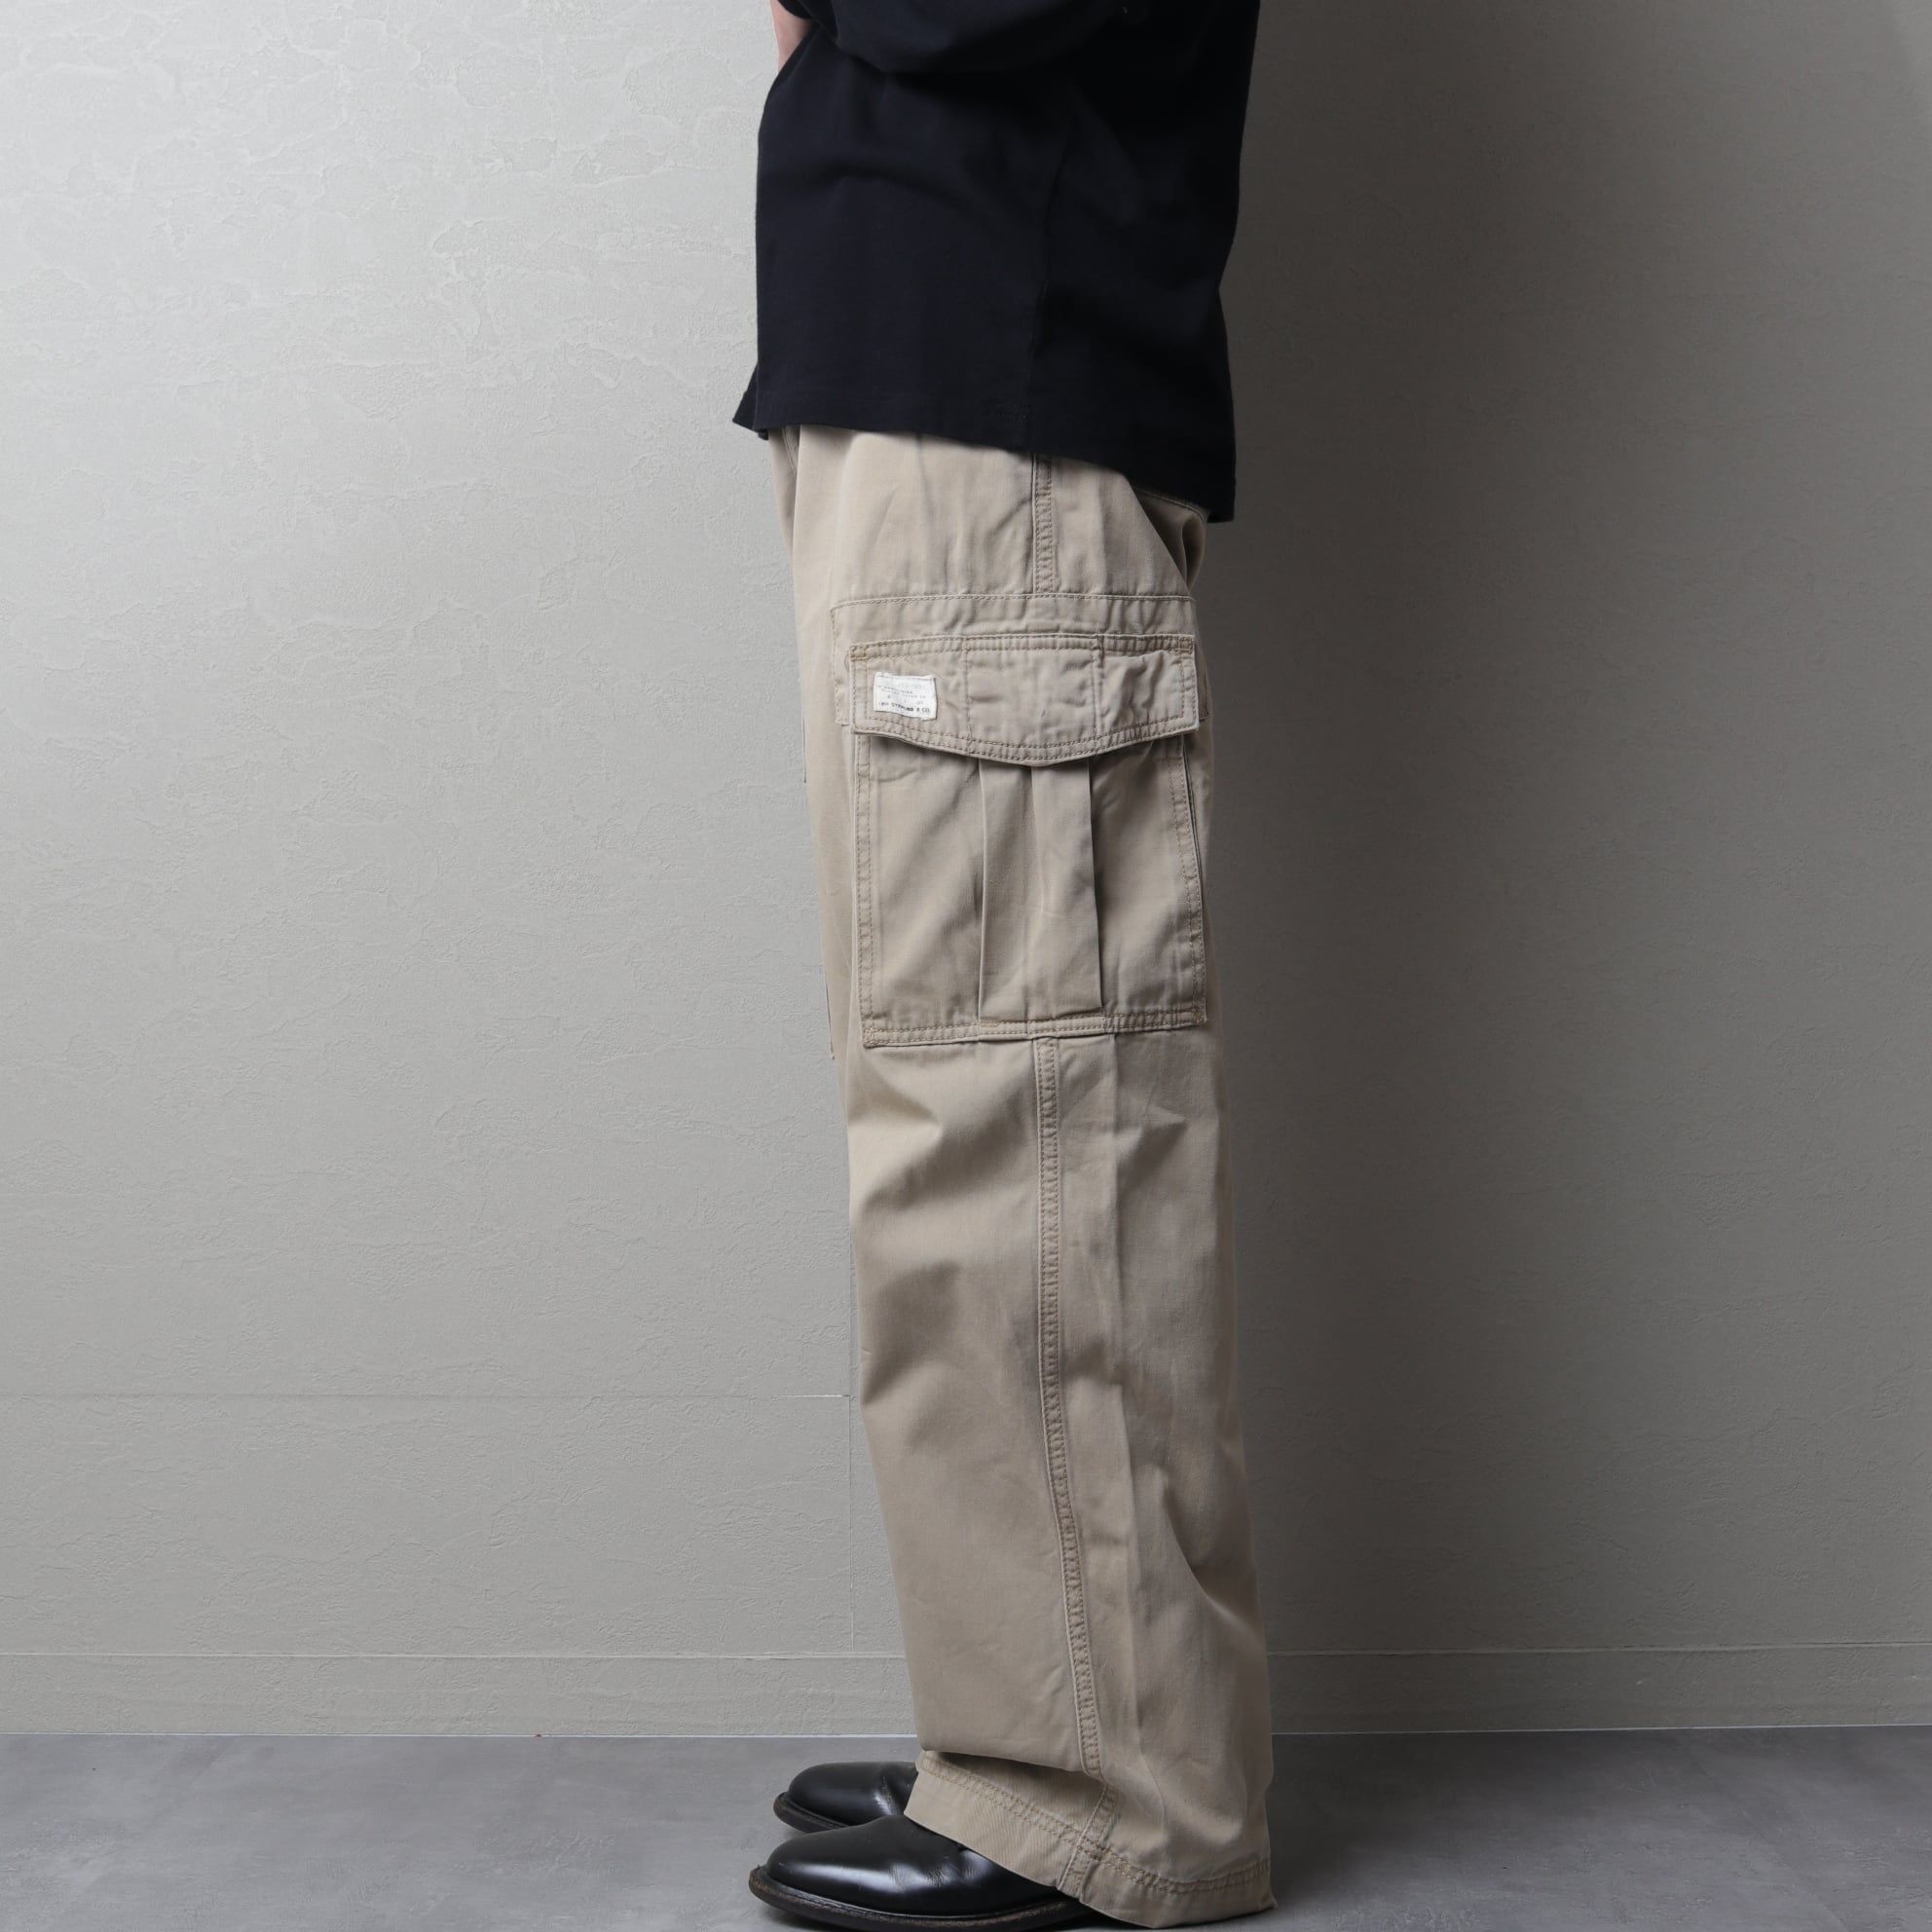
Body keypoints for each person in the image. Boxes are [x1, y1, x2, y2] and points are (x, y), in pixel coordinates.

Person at [735, 4, 1272, 1926]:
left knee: (1019, 1113)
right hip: (946, 389)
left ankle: (1099, 1791)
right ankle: (1036, 1721)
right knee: (964, 1094)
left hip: (1001, 405)